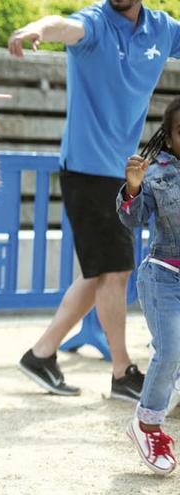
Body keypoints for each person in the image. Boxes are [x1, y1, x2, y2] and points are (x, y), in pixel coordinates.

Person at [9, 0, 180, 399]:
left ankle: (41, 354)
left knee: (100, 273)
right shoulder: (95, 23)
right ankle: (122, 372)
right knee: (116, 272)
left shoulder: (162, 29)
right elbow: (65, 27)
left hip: (120, 170)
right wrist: (38, 29)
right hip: (88, 169)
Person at [118, 96, 180, 475]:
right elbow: (132, 220)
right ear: (170, 138)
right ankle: (148, 425)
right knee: (170, 350)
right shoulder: (156, 171)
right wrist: (133, 189)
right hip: (162, 276)